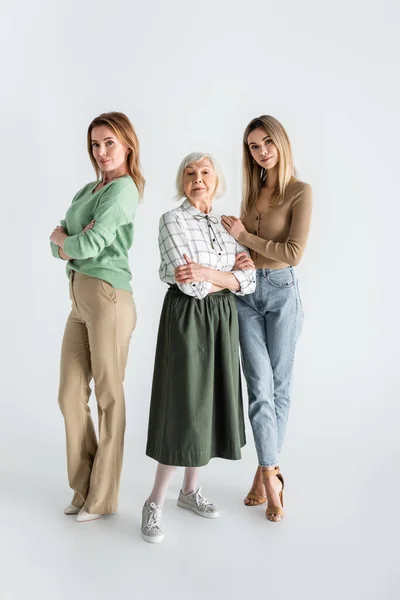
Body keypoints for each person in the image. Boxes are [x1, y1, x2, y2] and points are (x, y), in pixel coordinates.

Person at [141, 152, 256, 543]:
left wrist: (210, 272)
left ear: (217, 180)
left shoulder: (227, 226)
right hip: (188, 316)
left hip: (223, 317)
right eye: (189, 173)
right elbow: (192, 287)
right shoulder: (171, 220)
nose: (197, 178)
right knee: (184, 406)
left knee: (208, 402)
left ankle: (189, 493)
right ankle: (155, 501)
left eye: (205, 172)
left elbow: (250, 281)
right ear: (181, 182)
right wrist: (229, 276)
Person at [49, 111, 145, 522]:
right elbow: (67, 234)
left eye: (109, 142)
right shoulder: (89, 190)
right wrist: (67, 240)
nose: (102, 151)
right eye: (95, 144)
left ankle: (103, 497)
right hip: (79, 300)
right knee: (70, 394)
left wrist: (65, 241)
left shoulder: (123, 189)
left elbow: (90, 242)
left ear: (126, 145)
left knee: (109, 396)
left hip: (108, 296)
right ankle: (84, 486)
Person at [222, 115, 312, 522]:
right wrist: (240, 253)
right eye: (254, 147)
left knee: (279, 387)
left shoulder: (299, 191)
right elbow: (251, 252)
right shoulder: (252, 191)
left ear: (281, 143)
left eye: (267, 143)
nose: (261, 152)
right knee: (257, 387)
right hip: (246, 293)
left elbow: (293, 253)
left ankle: (265, 475)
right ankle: (270, 471)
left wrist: (246, 238)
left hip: (281, 293)